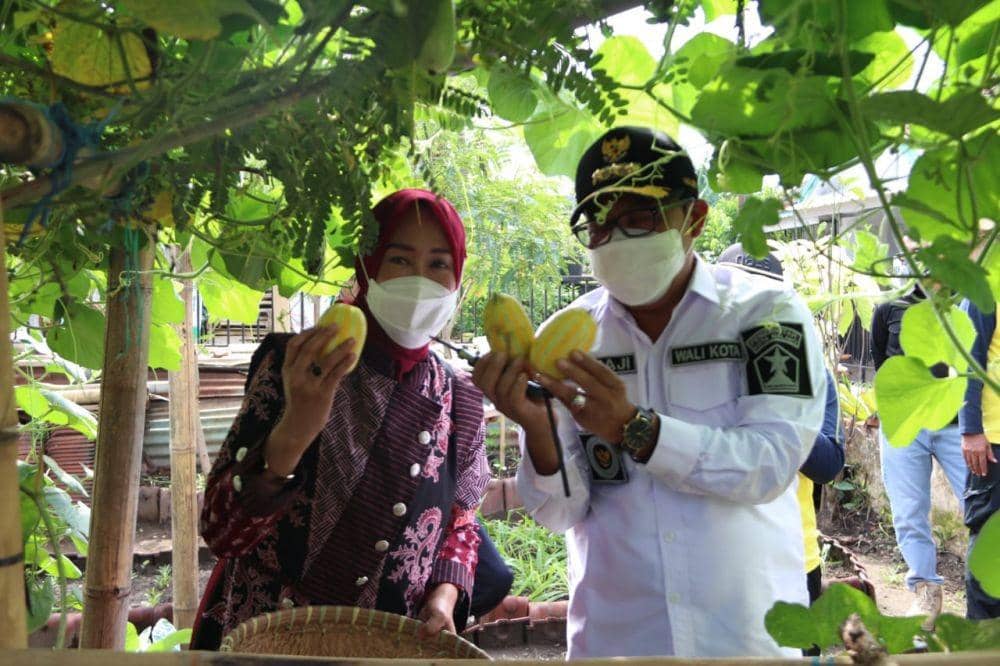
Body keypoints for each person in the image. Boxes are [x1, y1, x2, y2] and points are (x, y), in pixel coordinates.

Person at [472, 126, 827, 658]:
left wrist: (636, 429)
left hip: (745, 637)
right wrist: (537, 427)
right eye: (600, 225)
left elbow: (770, 463)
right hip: (617, 638)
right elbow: (561, 512)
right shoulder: (569, 337)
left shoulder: (766, 316)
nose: (616, 240)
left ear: (694, 219)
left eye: (639, 218)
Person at [190, 189, 492, 649]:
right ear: (366, 267)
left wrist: (444, 598)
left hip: (386, 647)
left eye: (437, 265)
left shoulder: (461, 398)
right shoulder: (298, 363)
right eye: (399, 260)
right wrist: (293, 432)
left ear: (458, 279)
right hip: (270, 643)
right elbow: (220, 533)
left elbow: (460, 523)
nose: (419, 280)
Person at [716, 244, 845, 615]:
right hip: (715, 558)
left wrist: (773, 403)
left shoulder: (810, 371)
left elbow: (828, 465)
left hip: (791, 556)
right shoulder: (693, 370)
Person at [870, 283, 967, 629]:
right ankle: (926, 591)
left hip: (959, 425)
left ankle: (987, 591)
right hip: (906, 424)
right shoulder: (890, 308)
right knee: (909, 510)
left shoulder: (967, 301)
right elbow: (883, 364)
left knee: (982, 505)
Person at [959, 298, 1000, 619]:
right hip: (993, 443)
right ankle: (982, 647)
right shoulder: (985, 290)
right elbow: (967, 359)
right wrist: (971, 429)